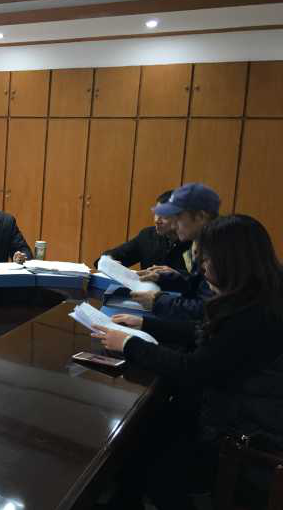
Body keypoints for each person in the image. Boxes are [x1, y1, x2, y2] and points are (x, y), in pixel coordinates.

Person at [93, 215, 283, 509]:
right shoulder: (260, 294)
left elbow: (194, 369)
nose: (203, 269)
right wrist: (147, 325)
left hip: (244, 434)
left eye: (206, 260)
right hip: (240, 411)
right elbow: (208, 335)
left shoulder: (252, 315)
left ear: (230, 261)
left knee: (149, 443)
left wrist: (129, 344)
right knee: (149, 424)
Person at [130, 183, 220, 321]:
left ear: (200, 217)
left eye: (177, 217)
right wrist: (165, 278)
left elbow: (207, 309)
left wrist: (158, 301)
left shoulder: (219, 250)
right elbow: (198, 285)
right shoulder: (203, 242)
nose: (172, 225)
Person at [97, 190, 190, 273]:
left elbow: (196, 282)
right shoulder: (148, 236)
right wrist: (107, 260)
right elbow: (118, 254)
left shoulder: (194, 242)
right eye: (156, 214)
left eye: (164, 216)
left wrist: (176, 275)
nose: (157, 220)